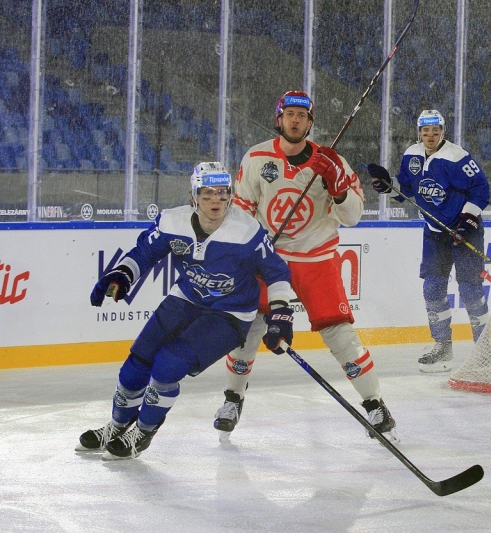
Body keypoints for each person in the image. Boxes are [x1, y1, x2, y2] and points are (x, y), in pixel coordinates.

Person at [76, 162, 293, 460]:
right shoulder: (172, 222)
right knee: (134, 366)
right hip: (185, 299)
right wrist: (121, 276)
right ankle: (117, 424)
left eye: (221, 193)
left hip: (230, 314)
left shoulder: (246, 231)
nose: (215, 200)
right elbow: (144, 253)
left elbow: (277, 273)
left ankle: (144, 430)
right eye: (207, 193)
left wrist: (281, 314)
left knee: (167, 366)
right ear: (193, 196)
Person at [214, 91, 397, 441]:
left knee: (340, 335)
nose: (295, 120)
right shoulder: (256, 158)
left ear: (311, 123)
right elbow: (240, 213)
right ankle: (233, 399)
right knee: (249, 330)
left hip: (317, 259)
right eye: (289, 114)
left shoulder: (334, 161)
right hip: (269, 258)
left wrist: (338, 187)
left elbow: (353, 216)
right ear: (278, 118)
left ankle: (376, 405)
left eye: (302, 115)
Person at [366, 109, 491, 373]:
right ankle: (442, 346)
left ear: (443, 132)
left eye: (435, 131)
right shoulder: (412, 154)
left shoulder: (457, 157)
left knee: (470, 290)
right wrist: (389, 185)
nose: (430, 136)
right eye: (426, 131)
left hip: (463, 230)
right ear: (419, 133)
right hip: (434, 231)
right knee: (433, 289)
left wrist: (467, 221)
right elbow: (407, 189)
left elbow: (481, 189)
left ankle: (484, 349)